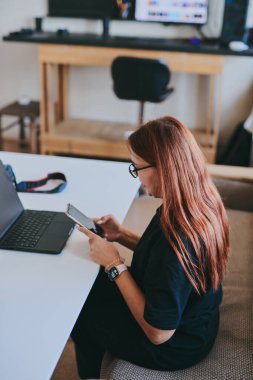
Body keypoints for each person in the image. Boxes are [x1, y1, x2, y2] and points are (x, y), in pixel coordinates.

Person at [71, 116, 230, 379]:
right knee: (91, 283)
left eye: (137, 167)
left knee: (83, 316)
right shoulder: (194, 200)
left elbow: (159, 333)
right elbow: (161, 259)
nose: (136, 177)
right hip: (195, 316)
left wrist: (114, 264)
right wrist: (120, 235)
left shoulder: (178, 238)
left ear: (164, 168)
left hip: (176, 345)